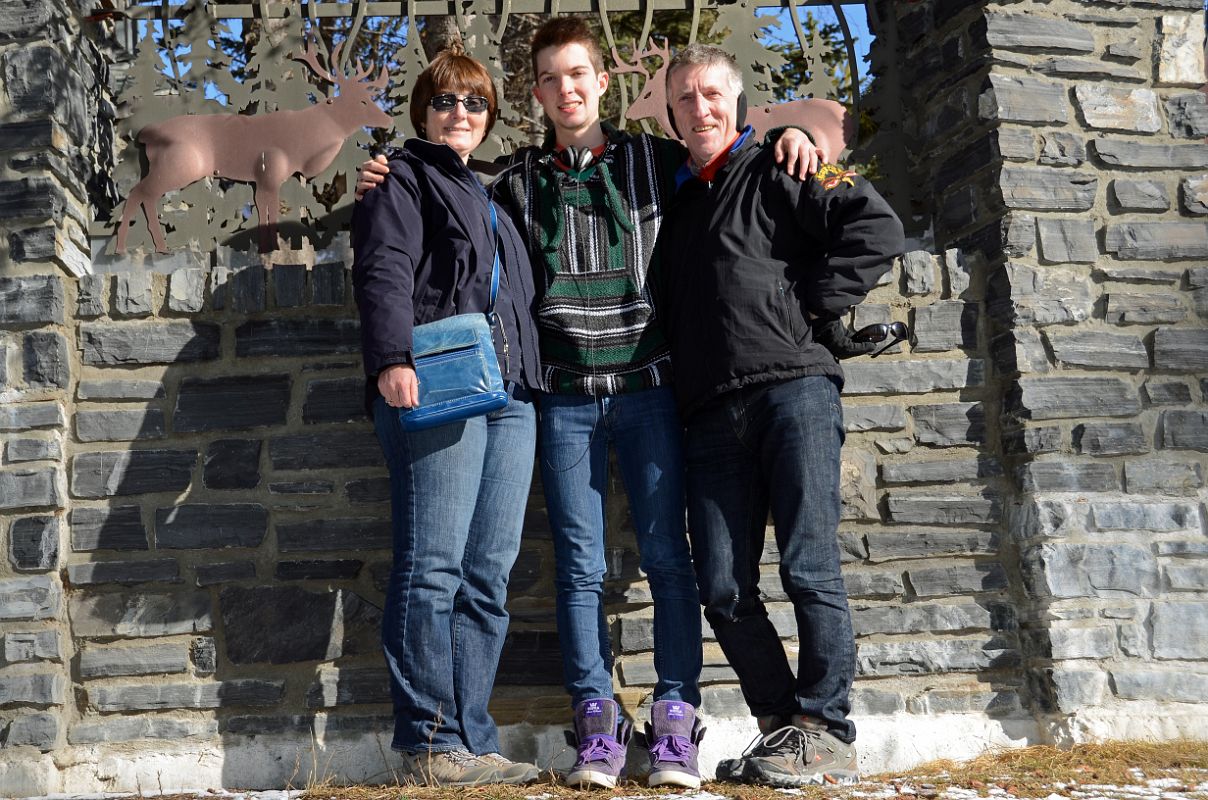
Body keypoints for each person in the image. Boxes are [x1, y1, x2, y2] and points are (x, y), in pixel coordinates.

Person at [356, 18, 826, 789]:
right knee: (576, 568)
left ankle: (674, 721)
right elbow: (427, 200)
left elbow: (724, 145)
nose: (567, 89)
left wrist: (798, 131)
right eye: (550, 79)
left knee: (668, 559)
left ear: (603, 83)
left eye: (580, 74)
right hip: (563, 399)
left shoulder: (656, 160)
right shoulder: (514, 178)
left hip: (649, 391)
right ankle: (595, 725)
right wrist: (386, 167)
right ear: (536, 94)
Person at [654, 44, 905, 787]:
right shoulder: (674, 203)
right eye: (684, 99)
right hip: (707, 416)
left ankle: (826, 728)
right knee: (725, 588)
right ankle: (779, 728)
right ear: (670, 114)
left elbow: (877, 228)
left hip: (793, 391)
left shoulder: (786, 162)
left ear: (736, 103)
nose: (699, 108)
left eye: (710, 94)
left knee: (809, 566)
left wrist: (815, 305)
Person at [351, 46, 544, 787]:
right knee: (432, 569)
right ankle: (428, 742)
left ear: (489, 117)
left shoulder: (495, 195)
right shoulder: (401, 176)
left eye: (473, 104)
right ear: (423, 113)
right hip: (435, 383)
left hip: (513, 396)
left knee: (487, 576)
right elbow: (385, 269)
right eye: (444, 102)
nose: (459, 114)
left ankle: (471, 738)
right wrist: (390, 359)